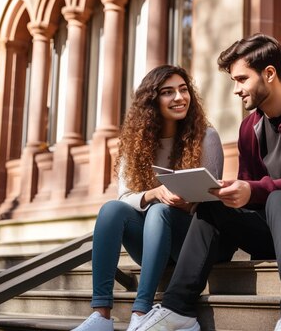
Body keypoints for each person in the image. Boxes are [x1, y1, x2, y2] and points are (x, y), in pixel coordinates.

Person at [136, 34, 281, 331]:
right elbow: (249, 190)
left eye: (242, 79)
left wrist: (254, 189)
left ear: (269, 74)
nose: (236, 89)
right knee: (214, 205)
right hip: (272, 232)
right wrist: (230, 192)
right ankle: (178, 310)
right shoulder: (249, 127)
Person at [72, 65, 224, 331]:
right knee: (111, 210)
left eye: (183, 89)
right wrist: (154, 193)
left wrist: (184, 202)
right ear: (152, 102)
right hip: (151, 243)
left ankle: (141, 312)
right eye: (168, 92)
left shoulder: (206, 137)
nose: (179, 97)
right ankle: (101, 315)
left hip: (189, 242)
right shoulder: (136, 143)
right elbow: (124, 196)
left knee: (160, 211)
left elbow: (211, 201)